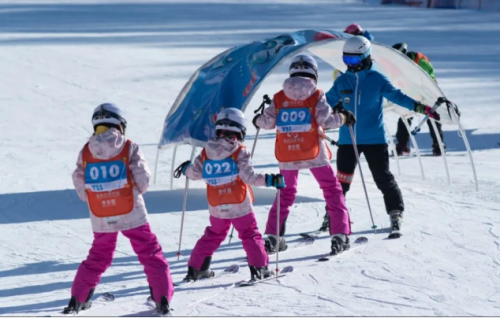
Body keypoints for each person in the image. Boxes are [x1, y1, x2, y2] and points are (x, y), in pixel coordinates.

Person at [325, 36, 441, 237]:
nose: (349, 65)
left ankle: (396, 212)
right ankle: (332, 215)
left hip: (375, 140)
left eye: (352, 60)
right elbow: (324, 102)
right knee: (341, 182)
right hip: (347, 139)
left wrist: (420, 107)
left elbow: (397, 96)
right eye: (346, 60)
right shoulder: (342, 81)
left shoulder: (377, 79)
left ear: (365, 56)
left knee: (383, 178)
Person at [67, 103, 174, 315]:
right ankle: (162, 298)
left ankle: (78, 300)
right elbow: (143, 177)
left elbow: (79, 180)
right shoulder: (128, 146)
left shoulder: (86, 150)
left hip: (101, 213)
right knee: (150, 252)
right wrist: (134, 193)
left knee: (98, 256)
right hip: (130, 209)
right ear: (120, 125)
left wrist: (95, 198)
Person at [253, 54, 356, 256]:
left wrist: (258, 119)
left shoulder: (279, 97)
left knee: (285, 193)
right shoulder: (316, 95)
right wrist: (343, 117)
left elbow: (267, 123)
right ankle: (339, 235)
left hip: (287, 153)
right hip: (313, 152)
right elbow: (326, 121)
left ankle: (273, 238)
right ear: (314, 73)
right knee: (332, 190)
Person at [174, 108, 285, 281]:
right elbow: (249, 177)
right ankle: (259, 267)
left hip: (216, 205)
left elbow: (195, 174)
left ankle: (197, 268)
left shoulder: (206, 152)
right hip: (239, 204)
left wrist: (185, 169)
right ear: (240, 130)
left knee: (214, 234)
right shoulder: (239, 151)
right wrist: (270, 180)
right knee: (249, 233)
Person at [392, 42, 445, 156]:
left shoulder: (419, 60)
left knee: (433, 116)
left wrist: (427, 90)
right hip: (412, 92)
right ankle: (402, 145)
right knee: (405, 115)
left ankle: (438, 144)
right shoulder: (396, 65)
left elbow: (430, 77)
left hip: (428, 92)